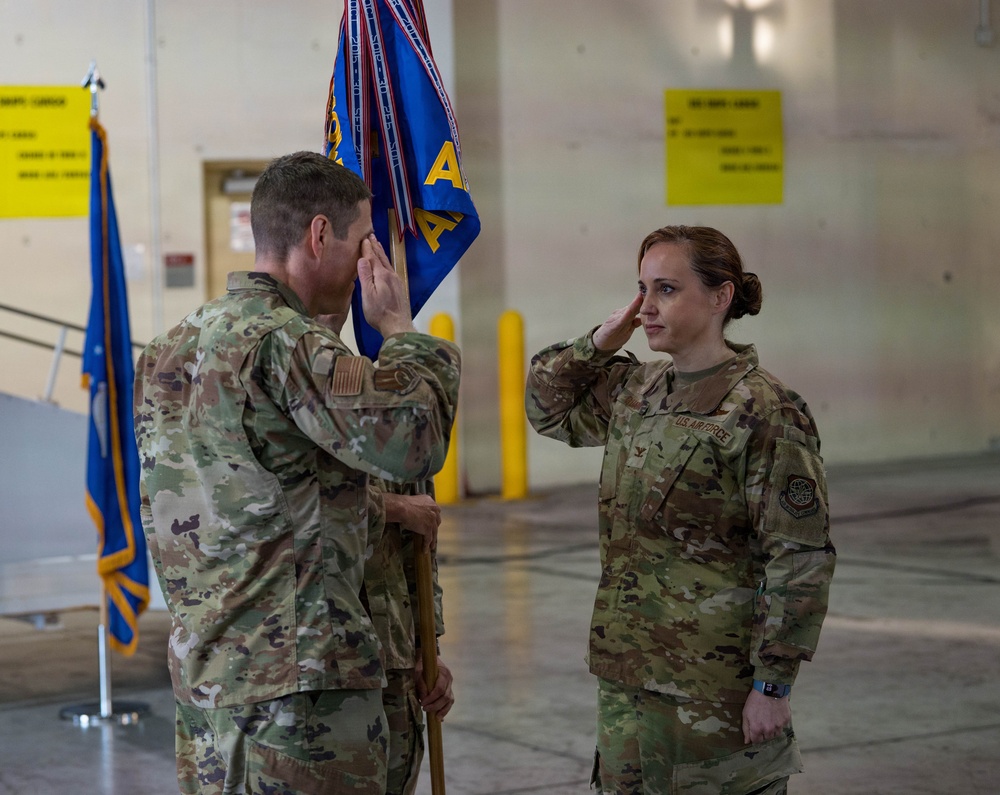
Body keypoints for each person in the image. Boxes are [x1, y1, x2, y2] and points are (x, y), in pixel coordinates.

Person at [133, 151, 461, 795]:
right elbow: (414, 444)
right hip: (300, 690)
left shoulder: (170, 346)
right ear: (319, 235)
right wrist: (400, 332)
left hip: (212, 680)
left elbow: (264, 499)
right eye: (366, 239)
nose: (374, 257)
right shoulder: (290, 344)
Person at [525, 225, 836, 795]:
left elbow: (798, 556)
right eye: (641, 289)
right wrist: (598, 341)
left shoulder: (765, 410)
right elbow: (545, 405)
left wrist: (773, 685)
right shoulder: (637, 392)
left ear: (720, 297)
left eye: (666, 289)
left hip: (712, 686)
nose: (647, 307)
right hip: (626, 672)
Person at [366, 481, 454, 795]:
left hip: (394, 662)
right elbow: (293, 499)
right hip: (306, 671)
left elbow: (419, 544)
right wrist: (396, 507)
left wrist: (426, 651)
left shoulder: (398, 438)